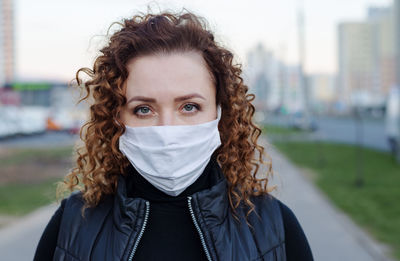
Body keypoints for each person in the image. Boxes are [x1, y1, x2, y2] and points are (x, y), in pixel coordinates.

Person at [34, 9, 314, 261]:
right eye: (143, 109)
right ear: (118, 118)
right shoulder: (71, 227)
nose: (167, 128)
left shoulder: (275, 229)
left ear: (219, 112)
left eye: (189, 107)